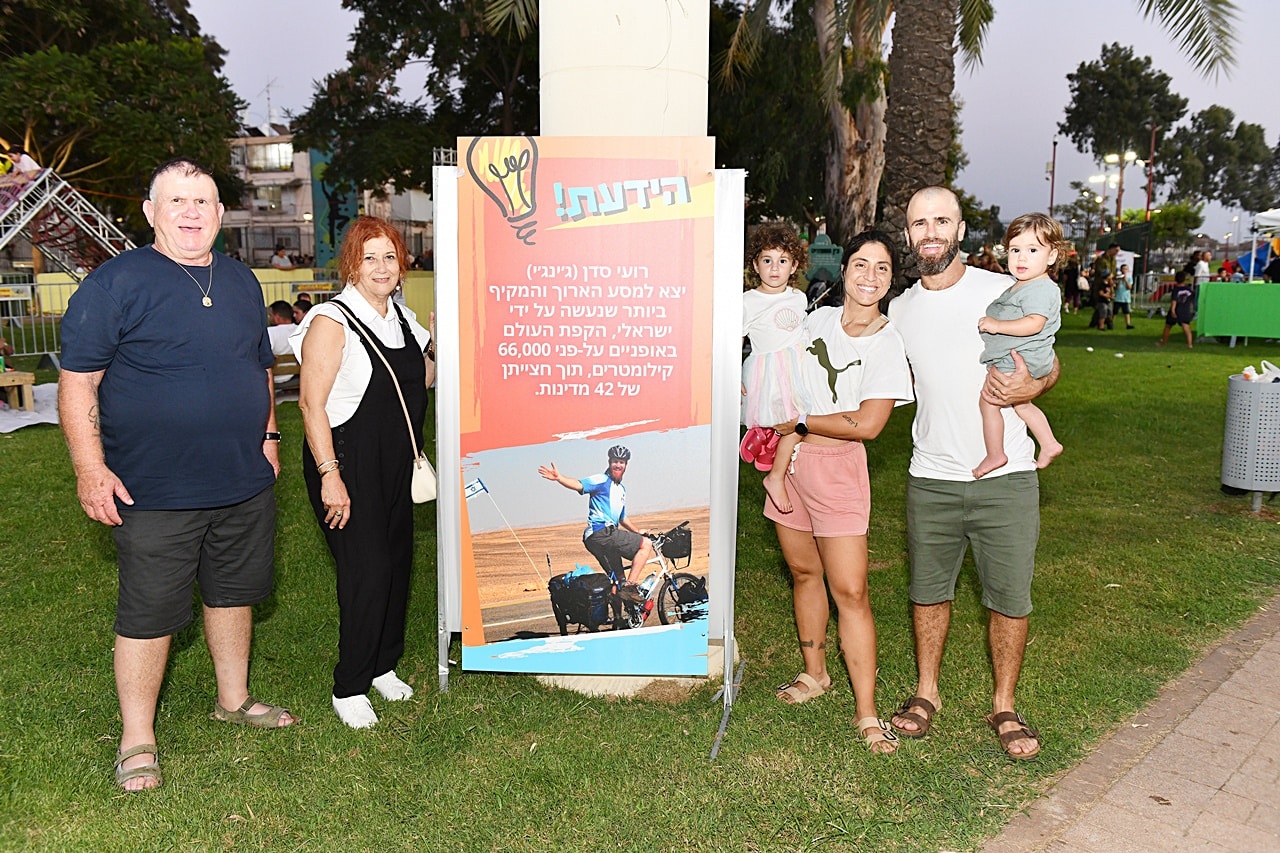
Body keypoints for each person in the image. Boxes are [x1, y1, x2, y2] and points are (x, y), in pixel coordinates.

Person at [57, 158, 296, 792]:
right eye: (177, 201)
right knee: (149, 613)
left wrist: (269, 436)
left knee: (234, 592)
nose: (191, 212)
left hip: (242, 480)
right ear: (151, 212)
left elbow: (259, 368)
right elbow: (78, 382)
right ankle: (137, 738)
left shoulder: (242, 281)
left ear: (220, 214)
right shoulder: (115, 283)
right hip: (153, 488)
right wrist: (90, 468)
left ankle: (233, 700)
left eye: (203, 201)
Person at [887, 186, 1059, 761]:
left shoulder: (1003, 289)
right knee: (927, 592)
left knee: (1009, 597)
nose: (931, 232)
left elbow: (1049, 361)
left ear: (960, 231)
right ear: (908, 234)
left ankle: (1004, 705)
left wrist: (1033, 384)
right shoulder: (900, 311)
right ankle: (926, 692)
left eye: (942, 221)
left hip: (1006, 478)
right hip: (931, 476)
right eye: (920, 223)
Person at [768, 230, 913, 755]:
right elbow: (778, 365)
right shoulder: (817, 319)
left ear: (891, 279)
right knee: (804, 572)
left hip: (838, 469)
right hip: (791, 463)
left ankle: (867, 713)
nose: (869, 276)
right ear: (844, 270)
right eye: (860, 264)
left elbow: (869, 424)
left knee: (850, 591)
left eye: (881, 267)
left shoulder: (887, 342)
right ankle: (815, 673)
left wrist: (802, 422)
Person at [293, 216, 434, 729]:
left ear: (402, 266)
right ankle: (350, 686)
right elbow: (310, 405)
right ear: (352, 265)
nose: (381, 267)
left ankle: (382, 666)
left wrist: (438, 344)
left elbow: (420, 379)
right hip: (347, 463)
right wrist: (330, 475)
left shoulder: (403, 318)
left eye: (389, 257)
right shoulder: (331, 321)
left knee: (396, 565)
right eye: (369, 257)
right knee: (367, 572)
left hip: (396, 462)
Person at [973, 213, 1065, 479]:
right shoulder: (1024, 285)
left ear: (1052, 255)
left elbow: (1034, 324)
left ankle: (995, 454)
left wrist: (997, 325)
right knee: (1022, 404)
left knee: (988, 402)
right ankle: (1049, 443)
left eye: (1032, 250)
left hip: (1020, 358)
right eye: (1015, 250)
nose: (1022, 258)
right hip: (1023, 356)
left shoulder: (1040, 288)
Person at [739, 223, 811, 514]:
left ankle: (768, 443)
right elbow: (735, 339)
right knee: (795, 421)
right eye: (767, 260)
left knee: (800, 421)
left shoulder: (798, 297)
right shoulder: (747, 302)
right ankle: (775, 476)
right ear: (756, 265)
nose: (774, 268)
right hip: (769, 372)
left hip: (799, 369)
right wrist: (733, 372)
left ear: (793, 267)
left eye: (782, 261)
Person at [539, 446, 654, 597]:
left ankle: (620, 608)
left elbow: (622, 517)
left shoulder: (621, 490)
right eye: (615, 461)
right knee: (646, 544)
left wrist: (637, 531)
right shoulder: (602, 480)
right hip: (602, 532)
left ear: (626, 465)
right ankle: (630, 587)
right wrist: (559, 478)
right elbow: (579, 484)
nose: (618, 465)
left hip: (599, 540)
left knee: (618, 581)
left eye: (621, 462)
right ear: (609, 462)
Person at [1156, 270, 1196, 349]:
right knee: (1186, 327)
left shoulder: (1175, 290)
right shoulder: (1189, 290)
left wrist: (1173, 311)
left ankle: (1163, 342)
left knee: (1168, 326)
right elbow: (1192, 301)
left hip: (1176, 310)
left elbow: (1174, 301)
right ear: (1184, 279)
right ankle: (1190, 344)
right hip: (1185, 311)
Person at [266, 300, 299, 387]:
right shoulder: (300, 330)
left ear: (277, 317)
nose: (270, 318)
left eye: (270, 315)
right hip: (294, 375)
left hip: (274, 377)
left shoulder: (270, 332)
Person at [1114, 263, 1134, 330]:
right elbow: (1116, 287)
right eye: (1123, 269)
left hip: (1125, 298)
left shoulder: (1129, 278)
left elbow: (1129, 287)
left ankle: (1128, 324)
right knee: (1115, 312)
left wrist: (1125, 280)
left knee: (1126, 312)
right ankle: (1110, 323)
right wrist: (1119, 280)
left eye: (1126, 269)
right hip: (1118, 298)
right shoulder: (1118, 277)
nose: (1124, 270)